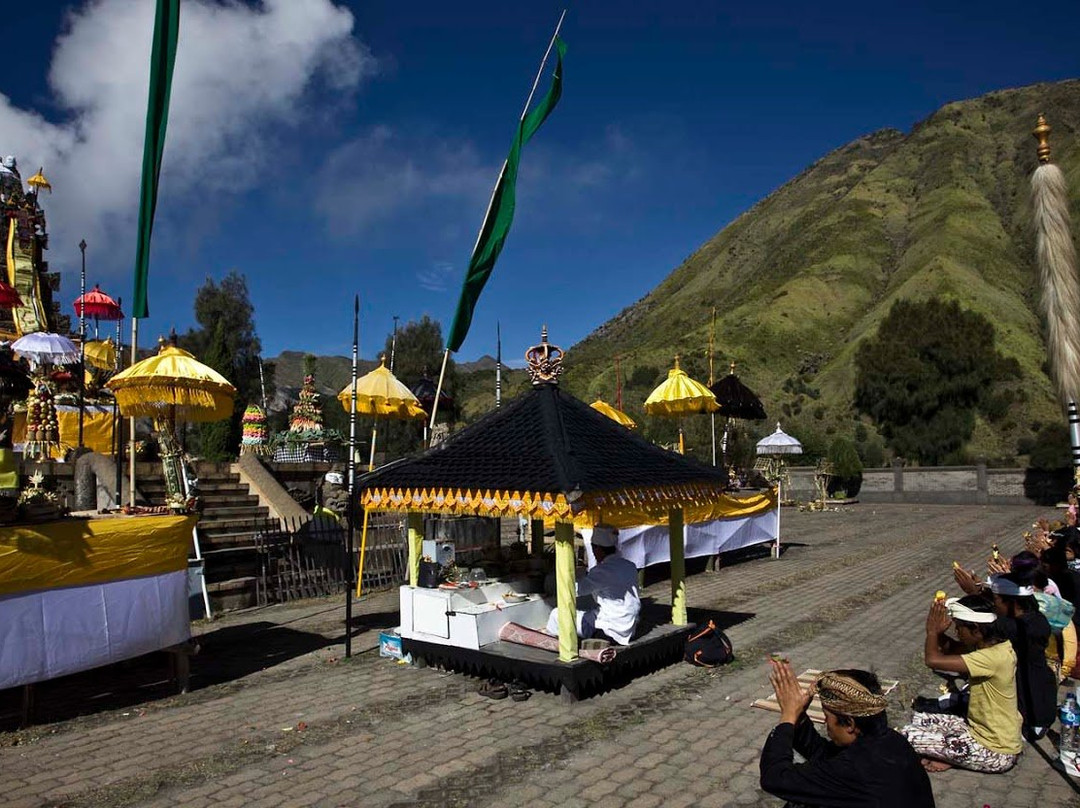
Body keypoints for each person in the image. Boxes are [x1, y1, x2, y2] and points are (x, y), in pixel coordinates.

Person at [759, 661, 935, 807]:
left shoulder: (856, 769)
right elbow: (825, 757)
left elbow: (775, 777)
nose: (826, 723)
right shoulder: (890, 741)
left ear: (850, 724)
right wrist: (800, 717)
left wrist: (788, 717)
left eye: (827, 717)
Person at [901, 596, 1021, 773]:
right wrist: (940, 634)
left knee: (906, 736)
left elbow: (933, 660)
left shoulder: (992, 658)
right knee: (919, 719)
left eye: (959, 628)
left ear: (976, 630)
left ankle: (952, 755)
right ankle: (951, 754)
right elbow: (953, 649)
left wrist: (932, 632)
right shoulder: (996, 647)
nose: (957, 632)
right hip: (978, 730)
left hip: (996, 752)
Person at [544, 525, 640, 645]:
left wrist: (563, 575)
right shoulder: (629, 565)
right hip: (629, 627)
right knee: (590, 612)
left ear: (598, 549)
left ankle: (554, 645)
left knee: (556, 614)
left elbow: (576, 590)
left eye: (593, 549)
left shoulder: (602, 571)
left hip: (610, 630)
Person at [989, 572, 1057, 738]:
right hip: (1040, 707)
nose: (993, 605)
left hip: (1029, 716)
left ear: (1011, 603)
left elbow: (988, 624)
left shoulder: (1020, 628)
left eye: (995, 600)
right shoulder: (1036, 619)